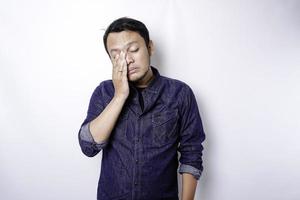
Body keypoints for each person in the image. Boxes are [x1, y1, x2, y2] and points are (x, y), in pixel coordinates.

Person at [78, 17, 206, 200]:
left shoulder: (180, 94)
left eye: (133, 50)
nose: (127, 60)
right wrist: (120, 95)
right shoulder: (104, 92)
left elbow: (191, 153)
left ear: (150, 47)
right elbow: (88, 147)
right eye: (116, 55)